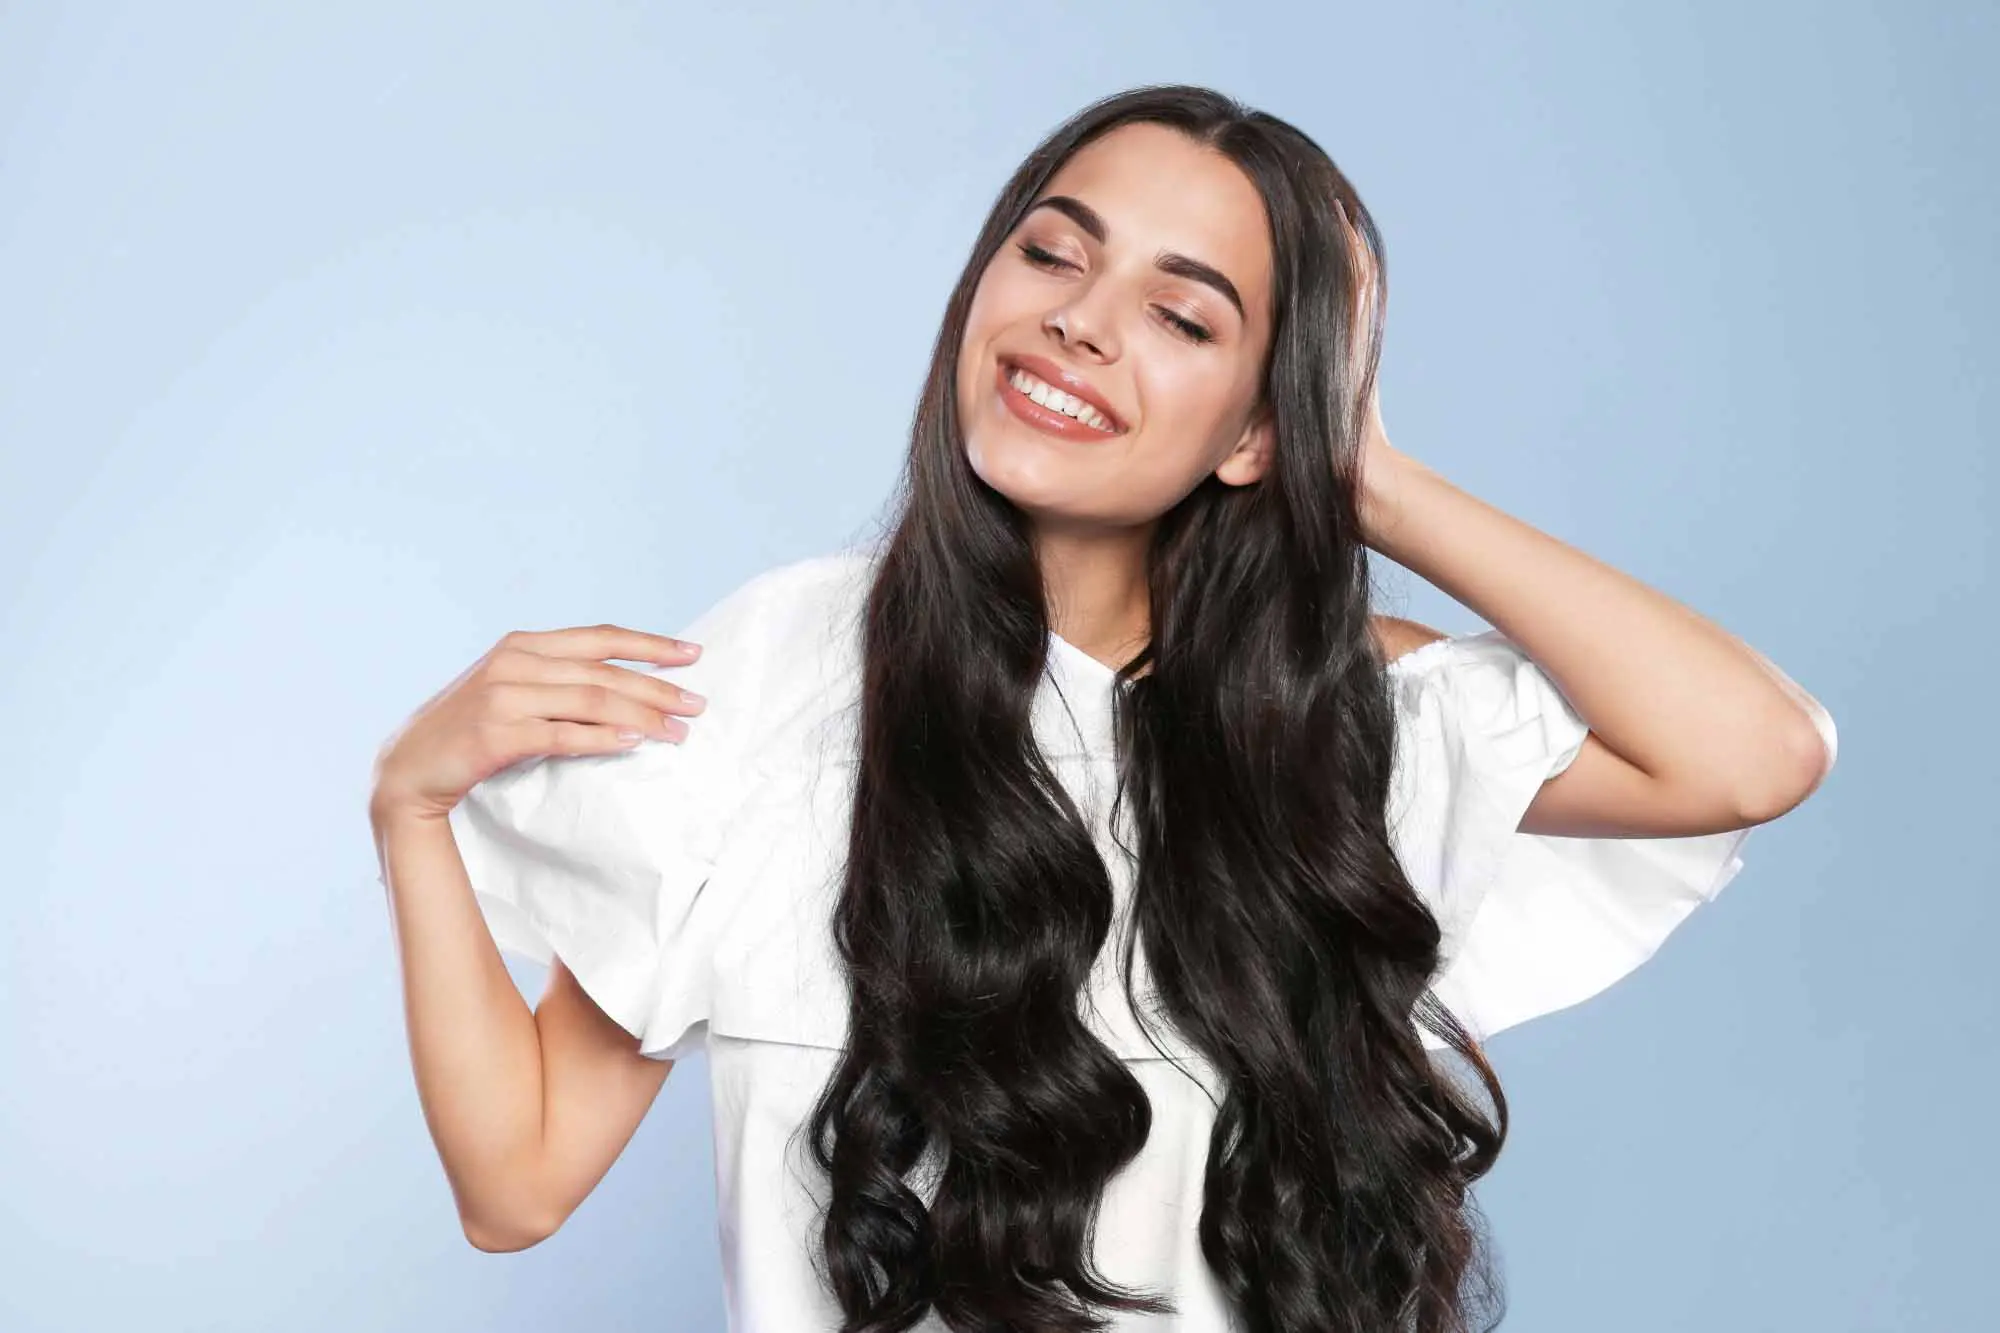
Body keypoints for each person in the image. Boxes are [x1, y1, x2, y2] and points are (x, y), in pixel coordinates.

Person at [369, 84, 1836, 1333]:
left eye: (1181, 318)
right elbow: (519, 1181)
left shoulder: (1344, 713)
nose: (1077, 323)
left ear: (1263, 418)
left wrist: (1365, 475)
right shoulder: (779, 671)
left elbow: (1752, 752)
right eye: (1051, 254)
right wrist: (412, 807)